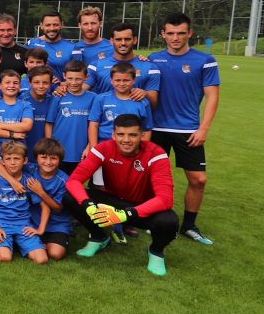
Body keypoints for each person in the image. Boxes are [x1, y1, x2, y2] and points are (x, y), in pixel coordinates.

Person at [65, 114, 179, 276]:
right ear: (113, 135)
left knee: (169, 221)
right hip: (112, 201)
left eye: (132, 135)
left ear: (142, 135)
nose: (126, 140)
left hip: (140, 207)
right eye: (121, 134)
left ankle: (156, 251)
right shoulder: (103, 148)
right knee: (70, 197)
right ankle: (99, 237)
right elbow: (74, 181)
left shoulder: (156, 153)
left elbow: (165, 199)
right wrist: (88, 205)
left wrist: (125, 214)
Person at [147, 12, 220, 245]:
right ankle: (152, 220)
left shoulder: (205, 60)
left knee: (198, 179)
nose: (175, 38)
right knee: (150, 178)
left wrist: (204, 129)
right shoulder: (153, 59)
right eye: (170, 33)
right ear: (163, 34)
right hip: (156, 128)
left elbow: (212, 96)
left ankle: (189, 225)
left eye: (180, 33)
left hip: (188, 129)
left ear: (190, 33)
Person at [0, 141, 48, 265]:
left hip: (23, 225)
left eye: (16, 158)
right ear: (3, 161)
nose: (12, 162)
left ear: (25, 160)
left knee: (41, 259)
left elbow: (44, 206)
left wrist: (40, 229)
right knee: (5, 257)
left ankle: (20, 242)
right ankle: (2, 241)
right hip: (1, 224)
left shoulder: (29, 180)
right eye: (8, 159)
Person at [26, 11, 81, 80]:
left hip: (59, 86)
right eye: (48, 25)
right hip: (34, 86)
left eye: (55, 25)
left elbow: (78, 76)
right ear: (41, 26)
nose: (52, 28)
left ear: (62, 25)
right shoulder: (31, 43)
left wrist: (62, 84)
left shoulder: (73, 48)